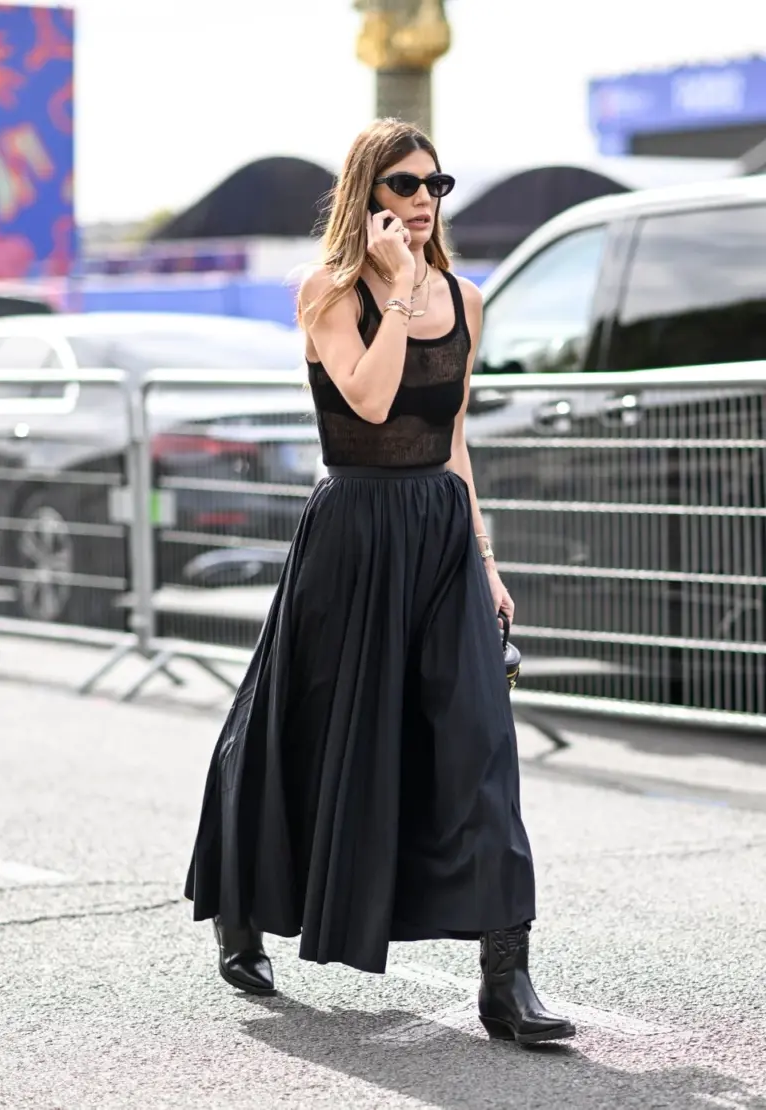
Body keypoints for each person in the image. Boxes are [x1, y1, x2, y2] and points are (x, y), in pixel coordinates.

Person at [184, 118, 575, 1045]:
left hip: (438, 533)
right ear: (367, 195)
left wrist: (486, 560)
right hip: (353, 532)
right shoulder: (327, 289)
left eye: (436, 185)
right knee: (303, 729)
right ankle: (241, 907)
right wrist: (396, 291)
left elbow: (454, 436)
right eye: (405, 184)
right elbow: (367, 398)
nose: (424, 201)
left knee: (481, 744)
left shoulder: (466, 298)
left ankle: (506, 979)